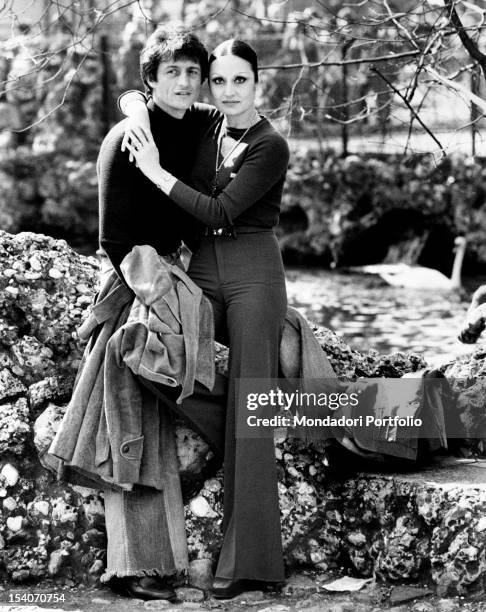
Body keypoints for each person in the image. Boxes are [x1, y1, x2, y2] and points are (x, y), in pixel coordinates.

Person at [120, 38, 290, 599]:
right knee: (151, 351)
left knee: (254, 404)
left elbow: (219, 210)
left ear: (257, 83)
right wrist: (134, 106)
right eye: (219, 81)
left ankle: (251, 568)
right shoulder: (209, 123)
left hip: (253, 273)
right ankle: (246, 434)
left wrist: (155, 172)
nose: (227, 91)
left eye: (239, 80)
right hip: (203, 269)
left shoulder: (271, 144)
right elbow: (149, 96)